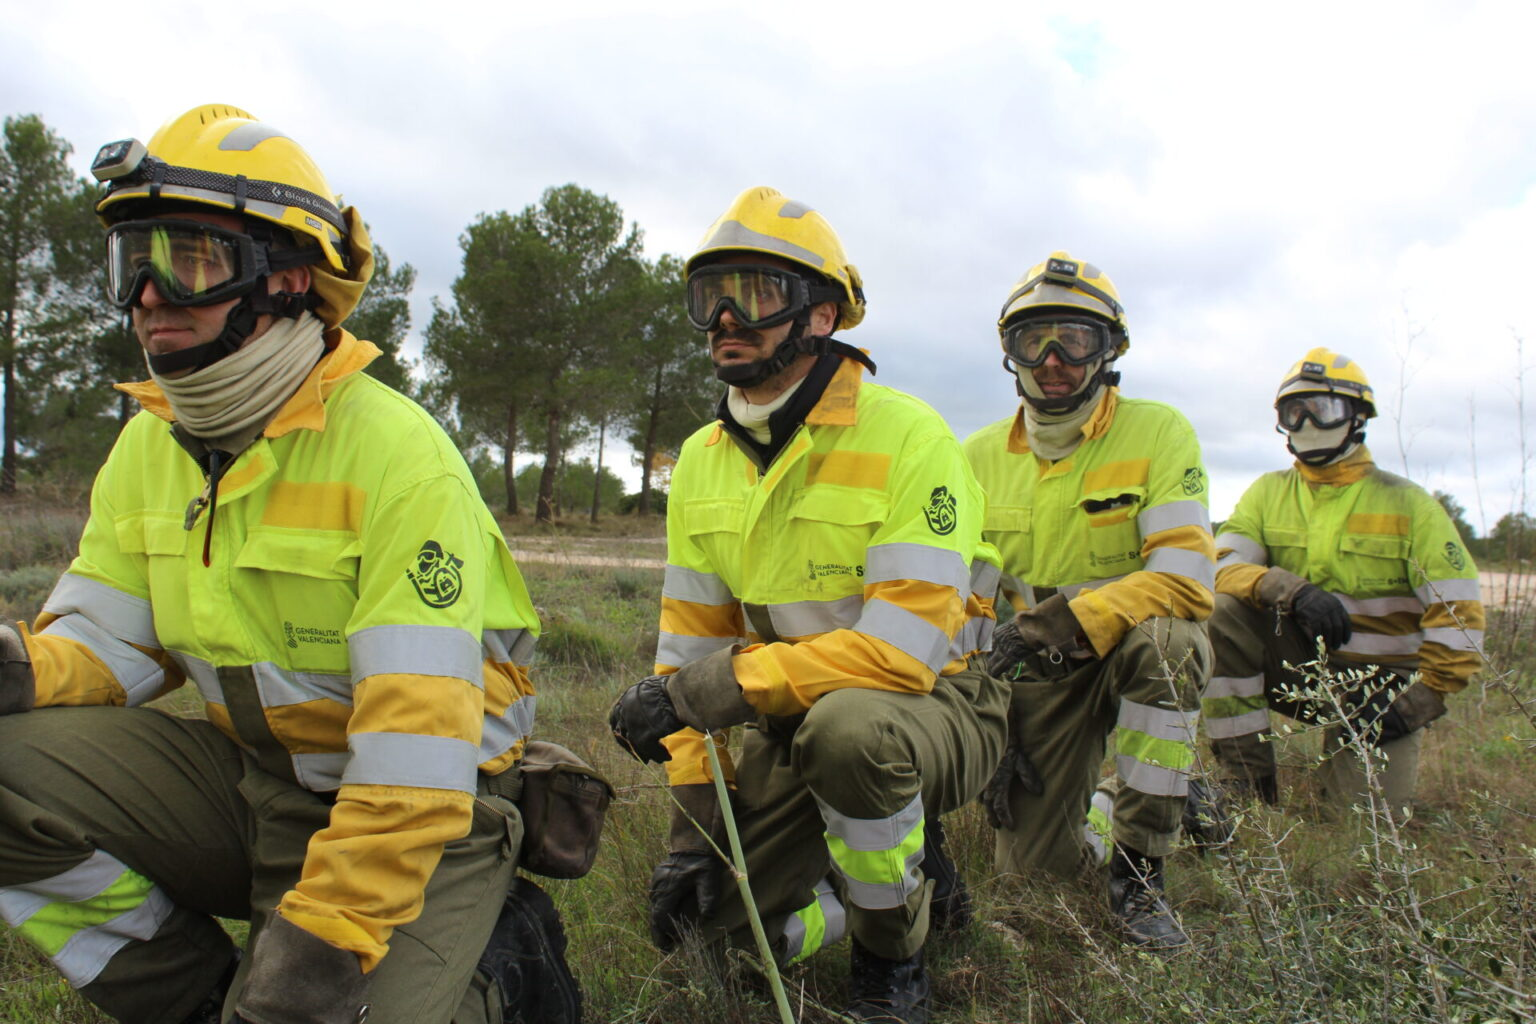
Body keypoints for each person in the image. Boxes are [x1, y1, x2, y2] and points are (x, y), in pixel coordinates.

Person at [0, 105, 580, 1024]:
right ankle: (199, 1001)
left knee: (336, 998)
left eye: (191, 259)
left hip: (427, 815)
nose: (149, 294)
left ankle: (504, 966)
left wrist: (328, 942)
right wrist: (23, 668)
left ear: (289, 280)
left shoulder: (398, 456)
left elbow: (416, 759)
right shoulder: (151, 447)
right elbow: (110, 642)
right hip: (259, 785)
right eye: (134, 261)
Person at [608, 186, 1008, 1024]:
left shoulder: (910, 439)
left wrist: (712, 693)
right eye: (708, 297)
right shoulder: (702, 461)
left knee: (852, 733)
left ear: (821, 315)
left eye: (754, 294)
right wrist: (692, 838)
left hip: (937, 703)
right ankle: (889, 877)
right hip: (792, 712)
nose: (725, 318)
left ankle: (891, 957)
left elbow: (900, 656)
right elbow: (687, 651)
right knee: (714, 946)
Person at [963, 251, 1216, 949]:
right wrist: (990, 719)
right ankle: (1114, 806)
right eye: (1031, 339)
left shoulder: (1160, 432)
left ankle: (1141, 872)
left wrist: (1065, 620)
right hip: (1030, 676)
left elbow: (1188, 577)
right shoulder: (972, 457)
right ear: (1008, 353)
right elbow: (959, 600)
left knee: (1171, 643)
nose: (1052, 358)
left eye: (1075, 339)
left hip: (1119, 650)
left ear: (1110, 352)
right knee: (1034, 884)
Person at [1204, 347, 1485, 811]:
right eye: (1294, 412)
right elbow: (1218, 567)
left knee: (1358, 829)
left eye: (1323, 408)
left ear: (1358, 418)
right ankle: (1246, 784)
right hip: (1302, 671)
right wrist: (1286, 588)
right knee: (1222, 612)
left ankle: (1344, 777)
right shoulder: (1267, 493)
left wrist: (1423, 698)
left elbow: (1459, 610)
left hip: (1381, 692)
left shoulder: (1410, 504)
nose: (1307, 422)